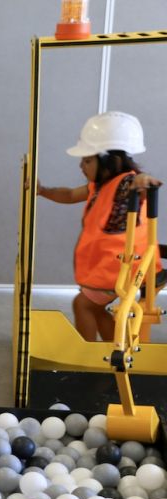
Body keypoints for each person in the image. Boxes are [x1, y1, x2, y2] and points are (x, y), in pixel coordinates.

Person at [38, 111, 162, 341]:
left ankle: (87, 355)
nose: (81, 166)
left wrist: (143, 181)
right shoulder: (101, 185)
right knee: (93, 308)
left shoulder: (125, 183)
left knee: (83, 305)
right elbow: (68, 194)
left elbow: (137, 184)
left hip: (125, 268)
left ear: (111, 162)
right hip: (113, 266)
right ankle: (109, 348)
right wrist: (42, 190)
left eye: (87, 160)